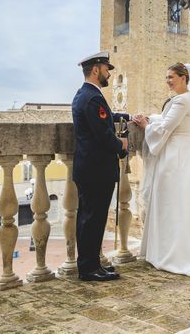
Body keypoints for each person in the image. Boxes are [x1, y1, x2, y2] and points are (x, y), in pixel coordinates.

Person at [133, 62, 190, 276]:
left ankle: (174, 254)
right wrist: (152, 119)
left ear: (183, 77)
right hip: (188, 153)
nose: (168, 81)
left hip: (176, 157)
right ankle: (177, 250)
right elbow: (171, 120)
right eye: (167, 77)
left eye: (171, 77)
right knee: (184, 202)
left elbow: (167, 126)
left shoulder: (181, 100)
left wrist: (145, 126)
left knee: (172, 202)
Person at [72, 51, 129, 282]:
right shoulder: (94, 98)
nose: (108, 73)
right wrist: (122, 145)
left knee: (88, 219)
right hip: (96, 170)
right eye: (106, 68)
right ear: (96, 70)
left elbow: (106, 118)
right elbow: (103, 136)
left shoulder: (84, 94)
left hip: (88, 168)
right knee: (92, 220)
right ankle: (88, 269)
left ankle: (91, 265)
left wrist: (128, 116)